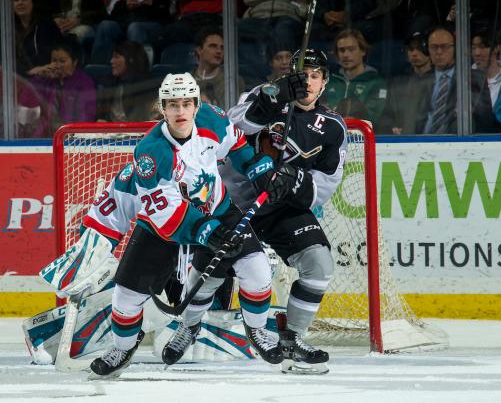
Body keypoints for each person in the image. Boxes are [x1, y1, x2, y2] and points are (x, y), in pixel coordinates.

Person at [88, 73, 290, 379]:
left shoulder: (213, 119)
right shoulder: (151, 153)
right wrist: (206, 230)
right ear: (163, 108)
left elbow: (236, 144)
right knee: (126, 297)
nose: (180, 111)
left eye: (186, 104)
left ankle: (255, 330)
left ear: (196, 105)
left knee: (257, 271)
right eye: (172, 105)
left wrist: (259, 168)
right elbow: (166, 212)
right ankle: (123, 347)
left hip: (218, 210)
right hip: (161, 226)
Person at [226, 49, 345, 372]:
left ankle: (291, 338)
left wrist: (295, 182)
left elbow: (326, 184)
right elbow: (230, 128)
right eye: (302, 73)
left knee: (319, 263)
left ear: (324, 84)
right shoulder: (263, 95)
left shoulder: (333, 127)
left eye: (315, 75)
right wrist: (273, 99)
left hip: (283, 208)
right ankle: (193, 328)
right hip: (235, 202)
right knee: (216, 269)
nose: (307, 80)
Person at [419, 26, 494, 134]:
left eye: (445, 47)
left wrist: (472, 109)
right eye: (434, 47)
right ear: (427, 50)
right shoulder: (419, 80)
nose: (439, 52)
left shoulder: (475, 79)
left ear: (455, 49)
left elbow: (487, 120)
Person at [20, 39, 96, 137]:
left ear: (75, 62)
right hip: (44, 139)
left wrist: (72, 135)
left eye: (62, 61)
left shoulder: (84, 83)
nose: (58, 65)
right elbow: (25, 101)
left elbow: (86, 116)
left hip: (71, 139)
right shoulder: (46, 80)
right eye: (54, 61)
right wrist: (39, 76)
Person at [325, 29, 387, 125]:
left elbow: (374, 118)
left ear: (363, 51)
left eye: (351, 49)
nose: (345, 55)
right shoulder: (329, 82)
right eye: (342, 50)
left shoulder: (376, 82)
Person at [379, 32, 434, 135]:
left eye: (419, 48)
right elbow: (387, 114)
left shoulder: (439, 80)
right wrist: (392, 127)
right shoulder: (399, 83)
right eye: (411, 49)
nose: (414, 53)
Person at [95, 40, 158, 122]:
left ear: (131, 60)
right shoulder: (109, 82)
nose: (112, 61)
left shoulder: (146, 86)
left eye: (116, 57)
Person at [12, 0, 63, 77]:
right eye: (15, 0)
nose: (20, 3)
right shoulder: (9, 28)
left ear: (33, 2)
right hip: (22, 78)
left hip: (47, 76)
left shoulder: (47, 24)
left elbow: (60, 52)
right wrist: (29, 72)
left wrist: (46, 68)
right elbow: (7, 63)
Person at [191, 26, 245, 108]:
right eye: (213, 46)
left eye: (222, 47)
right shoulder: (186, 80)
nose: (219, 51)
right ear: (199, 50)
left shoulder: (233, 82)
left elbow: (233, 114)